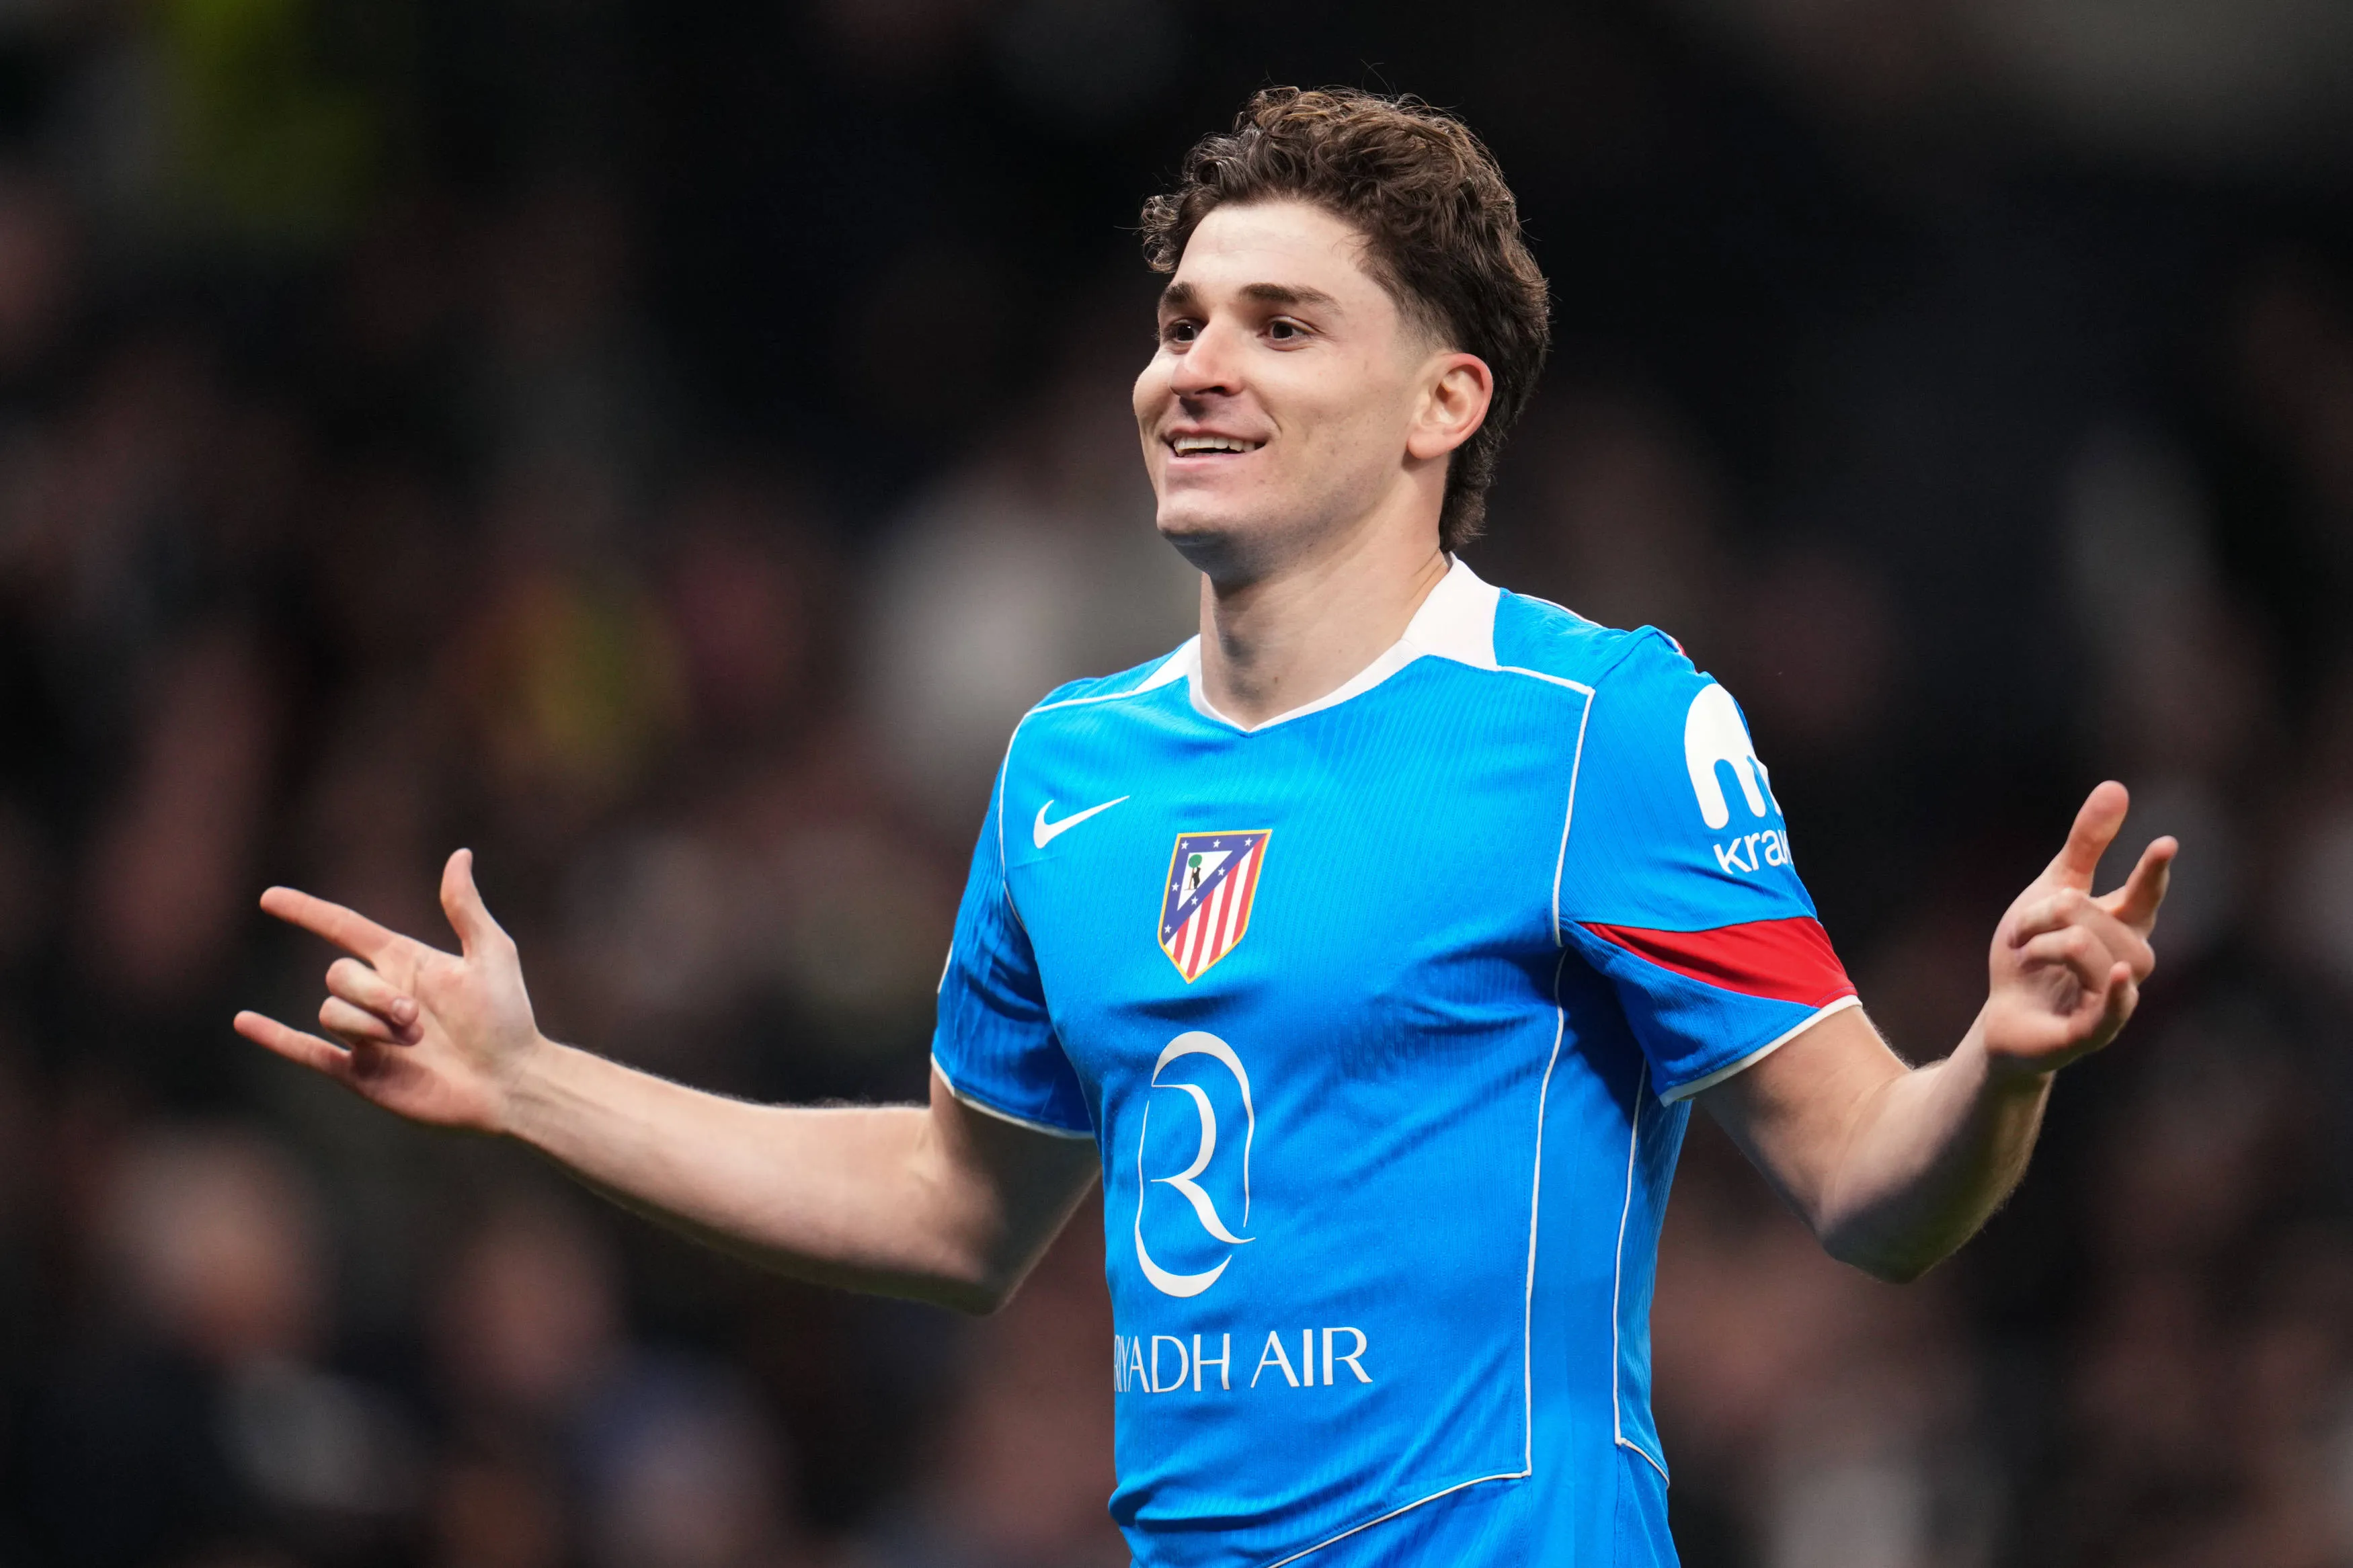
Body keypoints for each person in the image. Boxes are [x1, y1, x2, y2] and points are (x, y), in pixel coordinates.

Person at [237, 88, 2175, 1567]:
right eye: (1177, 320)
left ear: (1442, 400)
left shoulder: (1601, 724)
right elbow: (952, 1207)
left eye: (1277, 323)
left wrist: (1994, 1068)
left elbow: (1866, 1186)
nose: (1192, 366)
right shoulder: (1065, 770)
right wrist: (530, 1078)